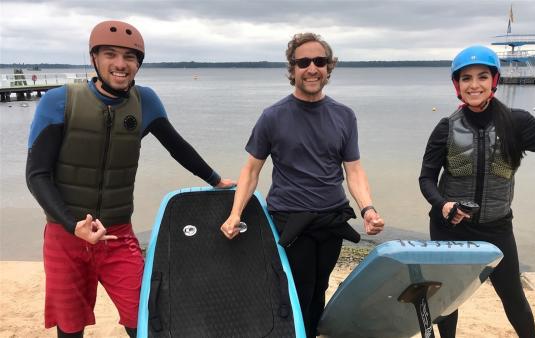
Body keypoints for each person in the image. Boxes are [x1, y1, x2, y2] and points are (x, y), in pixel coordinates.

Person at [25, 20, 234, 338]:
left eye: (130, 57)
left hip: (118, 236)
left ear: (139, 63)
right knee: (70, 326)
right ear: (94, 58)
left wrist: (215, 180)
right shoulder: (59, 102)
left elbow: (177, 146)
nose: (121, 64)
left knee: (147, 318)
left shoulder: (145, 101)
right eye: (110, 54)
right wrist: (72, 224)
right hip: (65, 236)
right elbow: (36, 175)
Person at [220, 32, 385, 337]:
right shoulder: (273, 116)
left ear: (329, 68)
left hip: (332, 218)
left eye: (319, 61)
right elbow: (251, 170)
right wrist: (235, 213)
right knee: (299, 288)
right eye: (304, 62)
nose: (312, 68)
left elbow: (355, 171)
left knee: (320, 286)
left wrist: (368, 209)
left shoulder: (344, 116)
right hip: (290, 219)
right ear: (292, 69)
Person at [419, 45, 535, 338]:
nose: (474, 85)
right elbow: (426, 178)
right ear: (457, 85)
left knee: (513, 297)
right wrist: (443, 205)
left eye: (481, 76)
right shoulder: (445, 128)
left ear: (493, 80)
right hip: (450, 226)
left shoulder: (518, 123)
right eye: (466, 78)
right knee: (446, 300)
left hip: (497, 227)